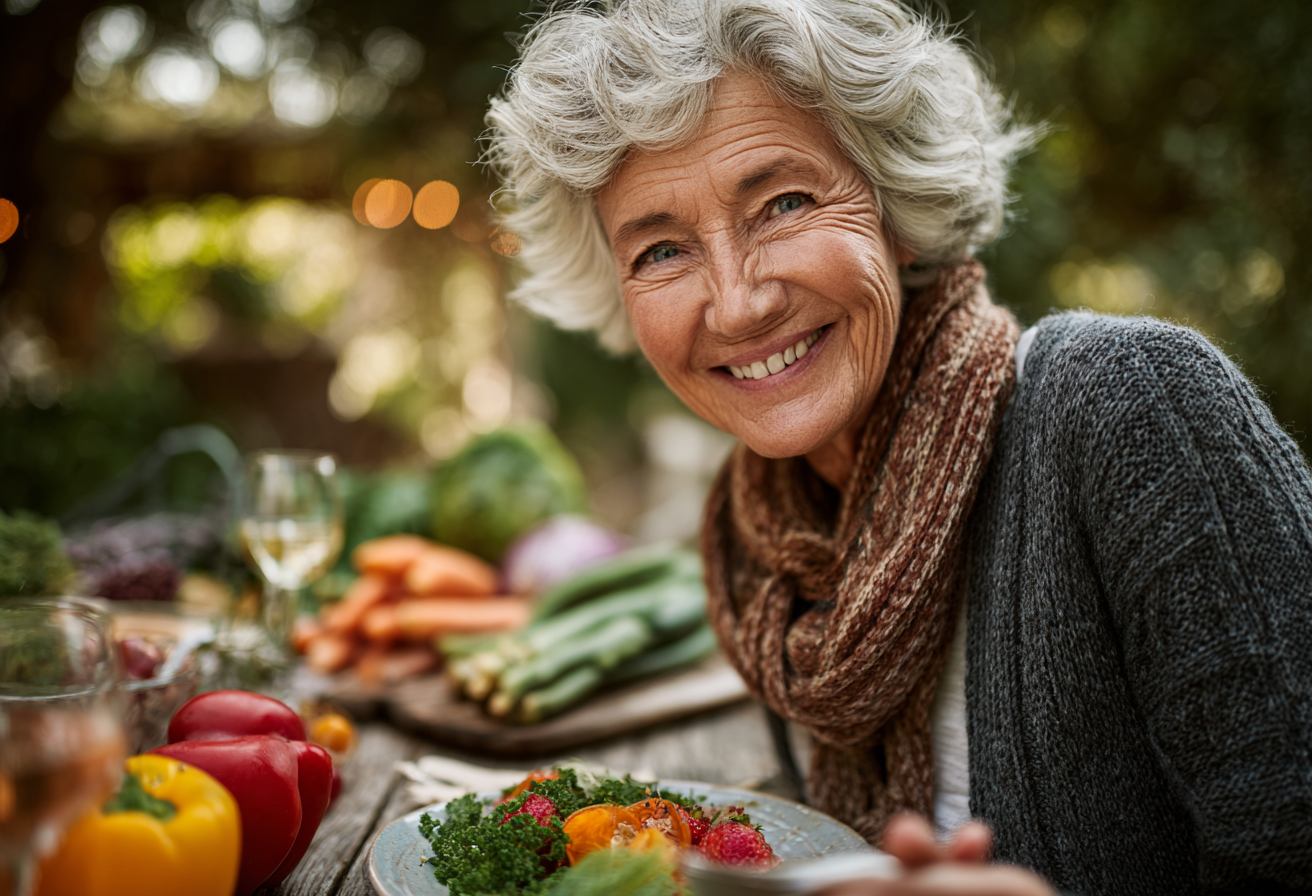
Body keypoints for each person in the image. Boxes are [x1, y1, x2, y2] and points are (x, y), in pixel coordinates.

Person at [484, 1, 1312, 893]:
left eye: (784, 203)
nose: (736, 304)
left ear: (899, 206)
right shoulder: (757, 547)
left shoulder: (1130, 404)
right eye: (660, 251)